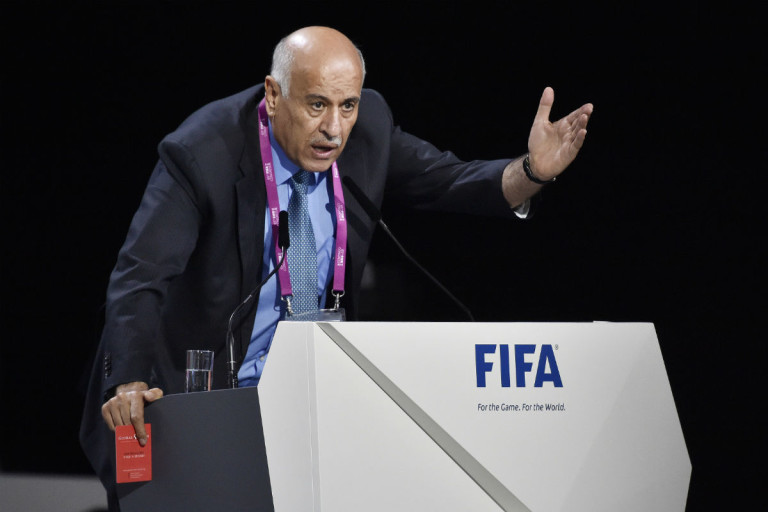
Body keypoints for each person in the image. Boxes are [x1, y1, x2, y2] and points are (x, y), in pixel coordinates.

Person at [80, 26, 592, 509]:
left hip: (306, 408)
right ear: (274, 94)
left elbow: (447, 179)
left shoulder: (367, 127)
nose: (334, 129)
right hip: (198, 399)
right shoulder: (202, 151)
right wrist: (127, 381)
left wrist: (532, 171)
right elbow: (141, 275)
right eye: (317, 105)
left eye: (347, 105)